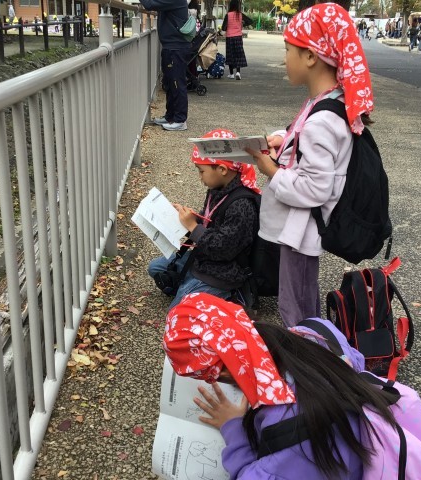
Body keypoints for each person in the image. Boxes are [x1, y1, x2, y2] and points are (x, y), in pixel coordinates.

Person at [162, 292, 421, 479]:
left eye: (212, 377)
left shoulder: (290, 433)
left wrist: (233, 427)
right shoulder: (313, 331)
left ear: (224, 370)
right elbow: (354, 362)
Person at [245, 3, 371, 327]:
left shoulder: (322, 120)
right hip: (300, 230)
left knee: (297, 311)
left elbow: (316, 188)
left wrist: (271, 171)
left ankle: (306, 355)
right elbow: (303, 137)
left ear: (311, 57)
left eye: (288, 50)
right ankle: (309, 351)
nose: (285, 58)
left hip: (302, 232)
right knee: (301, 301)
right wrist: (281, 139)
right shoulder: (328, 102)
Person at [147, 129, 261, 309]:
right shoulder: (218, 188)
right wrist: (192, 219)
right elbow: (210, 220)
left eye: (201, 171)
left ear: (222, 169)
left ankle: (231, 294)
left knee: (177, 312)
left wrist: (193, 227)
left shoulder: (241, 204)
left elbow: (223, 249)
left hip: (223, 271)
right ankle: (193, 288)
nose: (200, 177)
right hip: (203, 258)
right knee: (155, 267)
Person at [140, 0, 191, 131]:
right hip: (172, 46)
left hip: (176, 47)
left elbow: (149, 4)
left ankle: (180, 120)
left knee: (177, 83)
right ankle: (170, 116)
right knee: (170, 83)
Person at [221, 0, 252, 80]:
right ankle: (238, 72)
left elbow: (223, 28)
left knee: (230, 54)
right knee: (238, 54)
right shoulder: (240, 14)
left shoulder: (228, 15)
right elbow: (250, 21)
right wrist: (242, 24)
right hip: (238, 37)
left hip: (230, 37)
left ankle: (231, 74)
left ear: (230, 6)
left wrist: (227, 27)